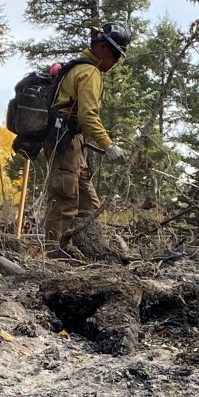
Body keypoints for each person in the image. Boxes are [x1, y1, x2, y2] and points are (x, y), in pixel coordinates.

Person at [42, 21, 131, 246]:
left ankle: (92, 249)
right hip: (65, 141)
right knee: (64, 198)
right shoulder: (89, 72)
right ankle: (53, 254)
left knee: (87, 203)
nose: (116, 62)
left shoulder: (77, 67)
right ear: (102, 49)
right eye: (116, 55)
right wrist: (108, 145)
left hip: (70, 141)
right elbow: (88, 116)